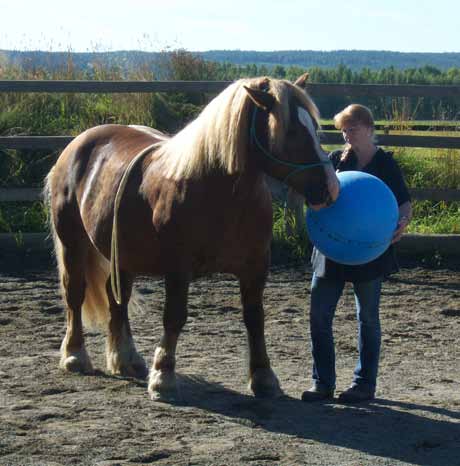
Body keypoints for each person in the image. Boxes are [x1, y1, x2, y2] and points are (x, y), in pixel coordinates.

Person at [301, 104, 412, 403]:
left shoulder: (386, 164)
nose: (347, 135)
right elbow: (318, 198)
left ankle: (364, 384)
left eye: (353, 129)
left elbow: (403, 203)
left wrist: (401, 225)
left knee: (368, 318)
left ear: (369, 129)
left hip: (369, 250)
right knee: (319, 315)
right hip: (332, 248)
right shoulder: (336, 160)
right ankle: (322, 383)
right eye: (344, 130)